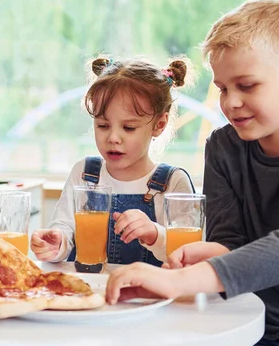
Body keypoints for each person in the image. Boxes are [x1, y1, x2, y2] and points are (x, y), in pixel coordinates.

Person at [105, 0, 279, 345]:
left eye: (246, 85)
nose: (230, 102)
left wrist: (176, 282)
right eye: (222, 88)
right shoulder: (224, 148)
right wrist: (213, 252)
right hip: (241, 319)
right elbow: (231, 243)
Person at [31, 56, 195, 266]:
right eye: (102, 125)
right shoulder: (84, 173)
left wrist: (155, 234)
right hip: (89, 293)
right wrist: (56, 244)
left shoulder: (173, 183)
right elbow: (64, 229)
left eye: (129, 128)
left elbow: (187, 256)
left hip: (147, 296)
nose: (113, 138)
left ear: (159, 124)